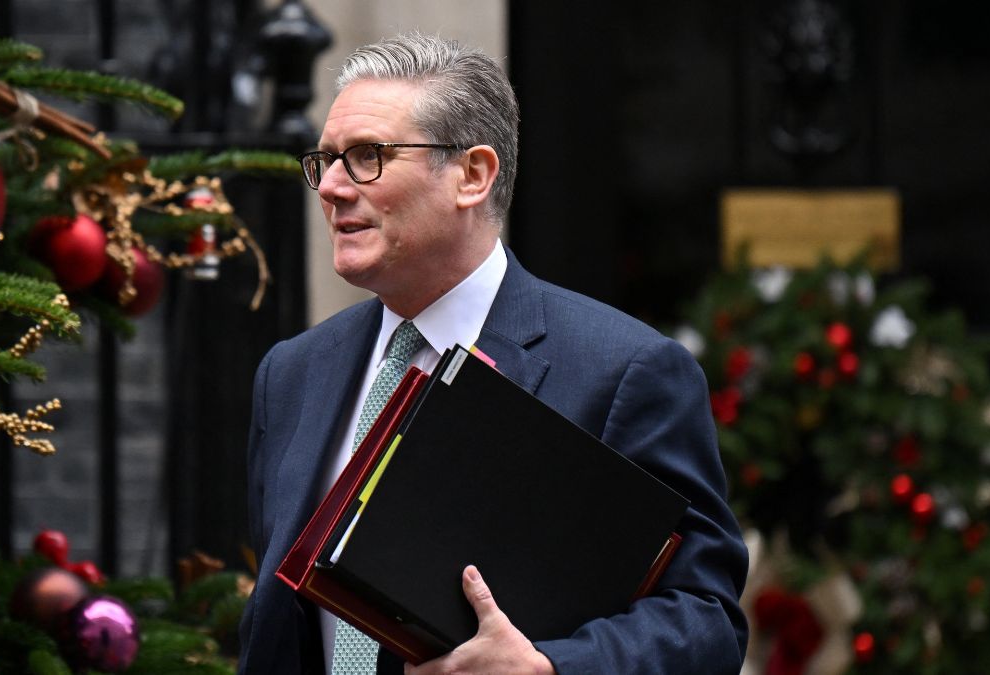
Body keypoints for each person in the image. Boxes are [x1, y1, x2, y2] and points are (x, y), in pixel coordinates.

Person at [238, 33, 748, 675]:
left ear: (473, 175)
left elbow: (705, 622)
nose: (332, 187)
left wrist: (547, 668)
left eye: (367, 156)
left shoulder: (625, 372)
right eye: (327, 159)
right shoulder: (292, 374)